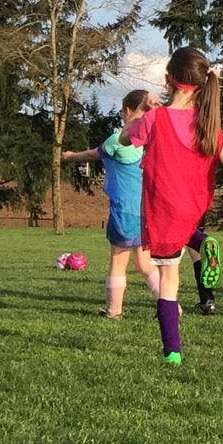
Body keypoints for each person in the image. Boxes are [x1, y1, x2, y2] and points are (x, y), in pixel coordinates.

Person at [125, 47, 223, 363]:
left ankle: (173, 352)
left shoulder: (155, 118)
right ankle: (201, 240)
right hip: (194, 205)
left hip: (163, 208)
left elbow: (126, 139)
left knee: (168, 282)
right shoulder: (209, 124)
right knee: (188, 232)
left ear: (169, 79)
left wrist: (142, 108)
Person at [63, 88, 160, 317]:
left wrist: (70, 156)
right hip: (145, 211)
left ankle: (113, 311)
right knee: (145, 265)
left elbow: (92, 155)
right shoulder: (151, 142)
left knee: (118, 260)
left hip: (123, 211)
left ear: (128, 111)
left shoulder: (118, 140)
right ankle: (170, 306)